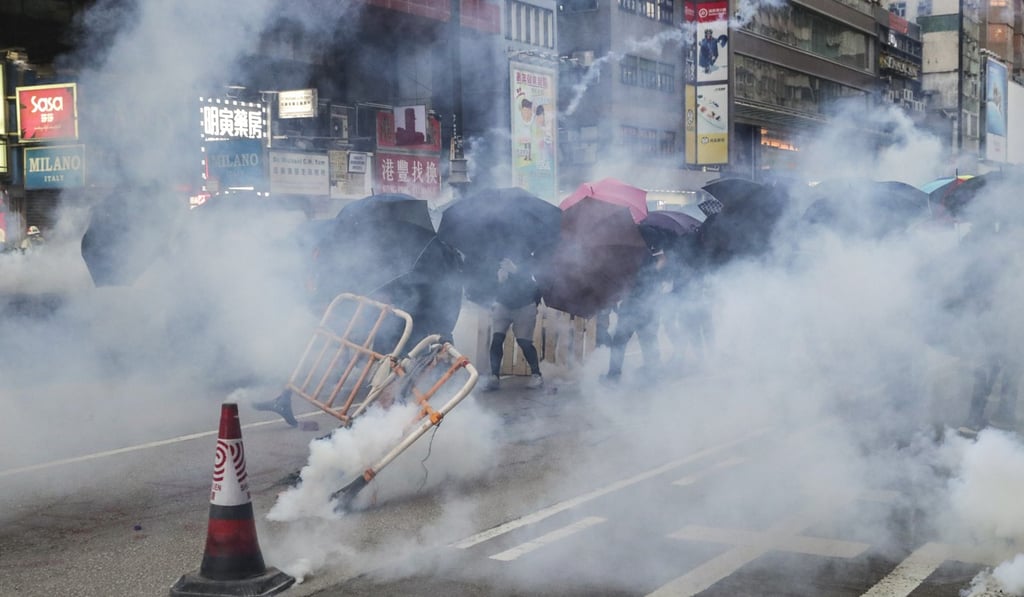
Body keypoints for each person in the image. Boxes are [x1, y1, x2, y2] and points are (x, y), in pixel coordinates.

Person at [605, 232, 669, 383]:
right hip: (647, 303)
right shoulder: (644, 255)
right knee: (647, 339)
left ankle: (614, 376)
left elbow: (624, 282)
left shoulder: (630, 255)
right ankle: (652, 374)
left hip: (634, 304)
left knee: (620, 341)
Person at [484, 256, 544, 391]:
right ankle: (494, 377)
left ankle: (537, 375)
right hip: (503, 304)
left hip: (525, 305)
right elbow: (487, 285)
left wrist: (516, 271)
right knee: (497, 338)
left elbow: (534, 283)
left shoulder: (528, 257)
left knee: (524, 342)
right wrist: (498, 281)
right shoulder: (495, 258)